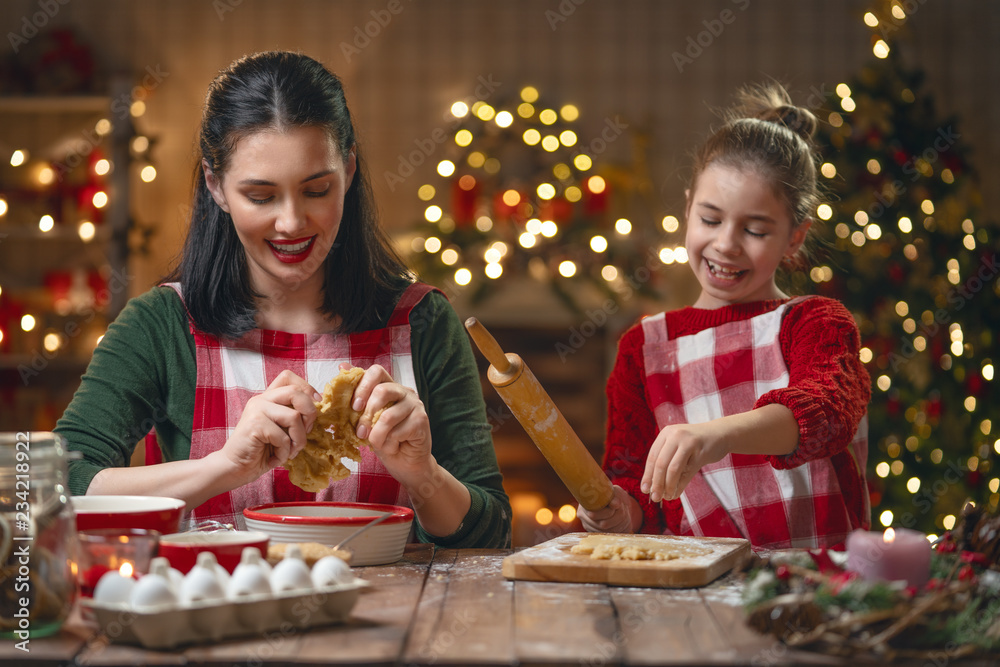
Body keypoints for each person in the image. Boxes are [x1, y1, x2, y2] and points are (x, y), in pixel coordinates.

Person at [55, 51, 511, 548]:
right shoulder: (161, 324)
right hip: (221, 618)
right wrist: (224, 466)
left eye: (316, 189)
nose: (292, 222)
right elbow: (60, 486)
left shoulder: (423, 322)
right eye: (261, 195)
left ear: (350, 170)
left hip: (391, 623)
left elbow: (490, 533)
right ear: (216, 186)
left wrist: (424, 476)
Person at [577, 83, 871, 549]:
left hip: (810, 585)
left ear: (795, 237)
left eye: (755, 229)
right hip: (694, 597)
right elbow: (635, 484)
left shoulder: (815, 322)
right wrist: (618, 510)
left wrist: (714, 436)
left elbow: (829, 411)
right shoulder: (643, 347)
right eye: (710, 220)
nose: (726, 244)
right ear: (688, 206)